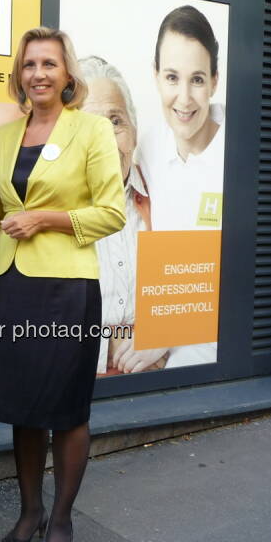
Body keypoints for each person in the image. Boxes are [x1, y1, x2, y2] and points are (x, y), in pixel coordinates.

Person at [0, 28, 125, 542]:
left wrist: (45, 218)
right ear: (19, 74)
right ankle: (30, 512)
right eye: (29, 64)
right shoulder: (6, 135)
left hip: (67, 289)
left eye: (49, 63)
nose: (38, 73)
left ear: (67, 74)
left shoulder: (91, 130)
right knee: (22, 405)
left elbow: (111, 212)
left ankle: (61, 520)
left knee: (65, 408)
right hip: (9, 286)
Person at [139, 5, 225, 368]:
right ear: (156, 76)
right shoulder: (148, 147)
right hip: (158, 335)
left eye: (198, 80)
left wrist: (166, 334)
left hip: (215, 348)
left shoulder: (241, 153)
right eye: (172, 77)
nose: (185, 98)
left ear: (215, 81)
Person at [78, 56, 167, 375]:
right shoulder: (47, 211)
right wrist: (109, 347)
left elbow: (198, 291)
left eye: (115, 121)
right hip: (79, 385)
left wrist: (166, 335)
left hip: (162, 379)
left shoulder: (166, 197)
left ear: (134, 130)